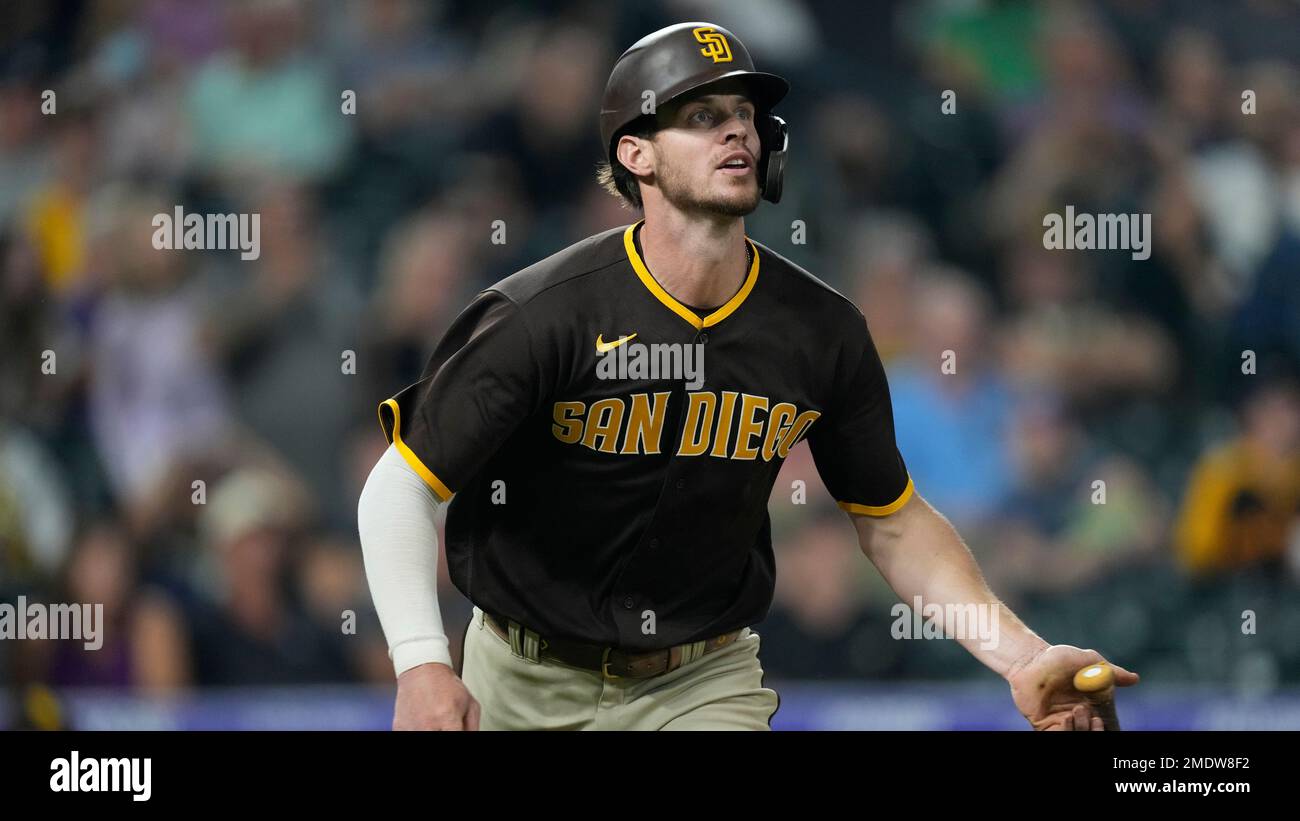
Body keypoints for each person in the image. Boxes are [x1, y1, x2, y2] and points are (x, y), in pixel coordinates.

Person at [358, 22, 1137, 731]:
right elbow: (399, 488)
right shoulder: (541, 313)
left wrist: (1022, 654)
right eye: (701, 115)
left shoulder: (819, 330)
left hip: (701, 681)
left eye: (746, 115)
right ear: (636, 153)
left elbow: (892, 519)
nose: (737, 128)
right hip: (521, 675)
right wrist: (422, 661)